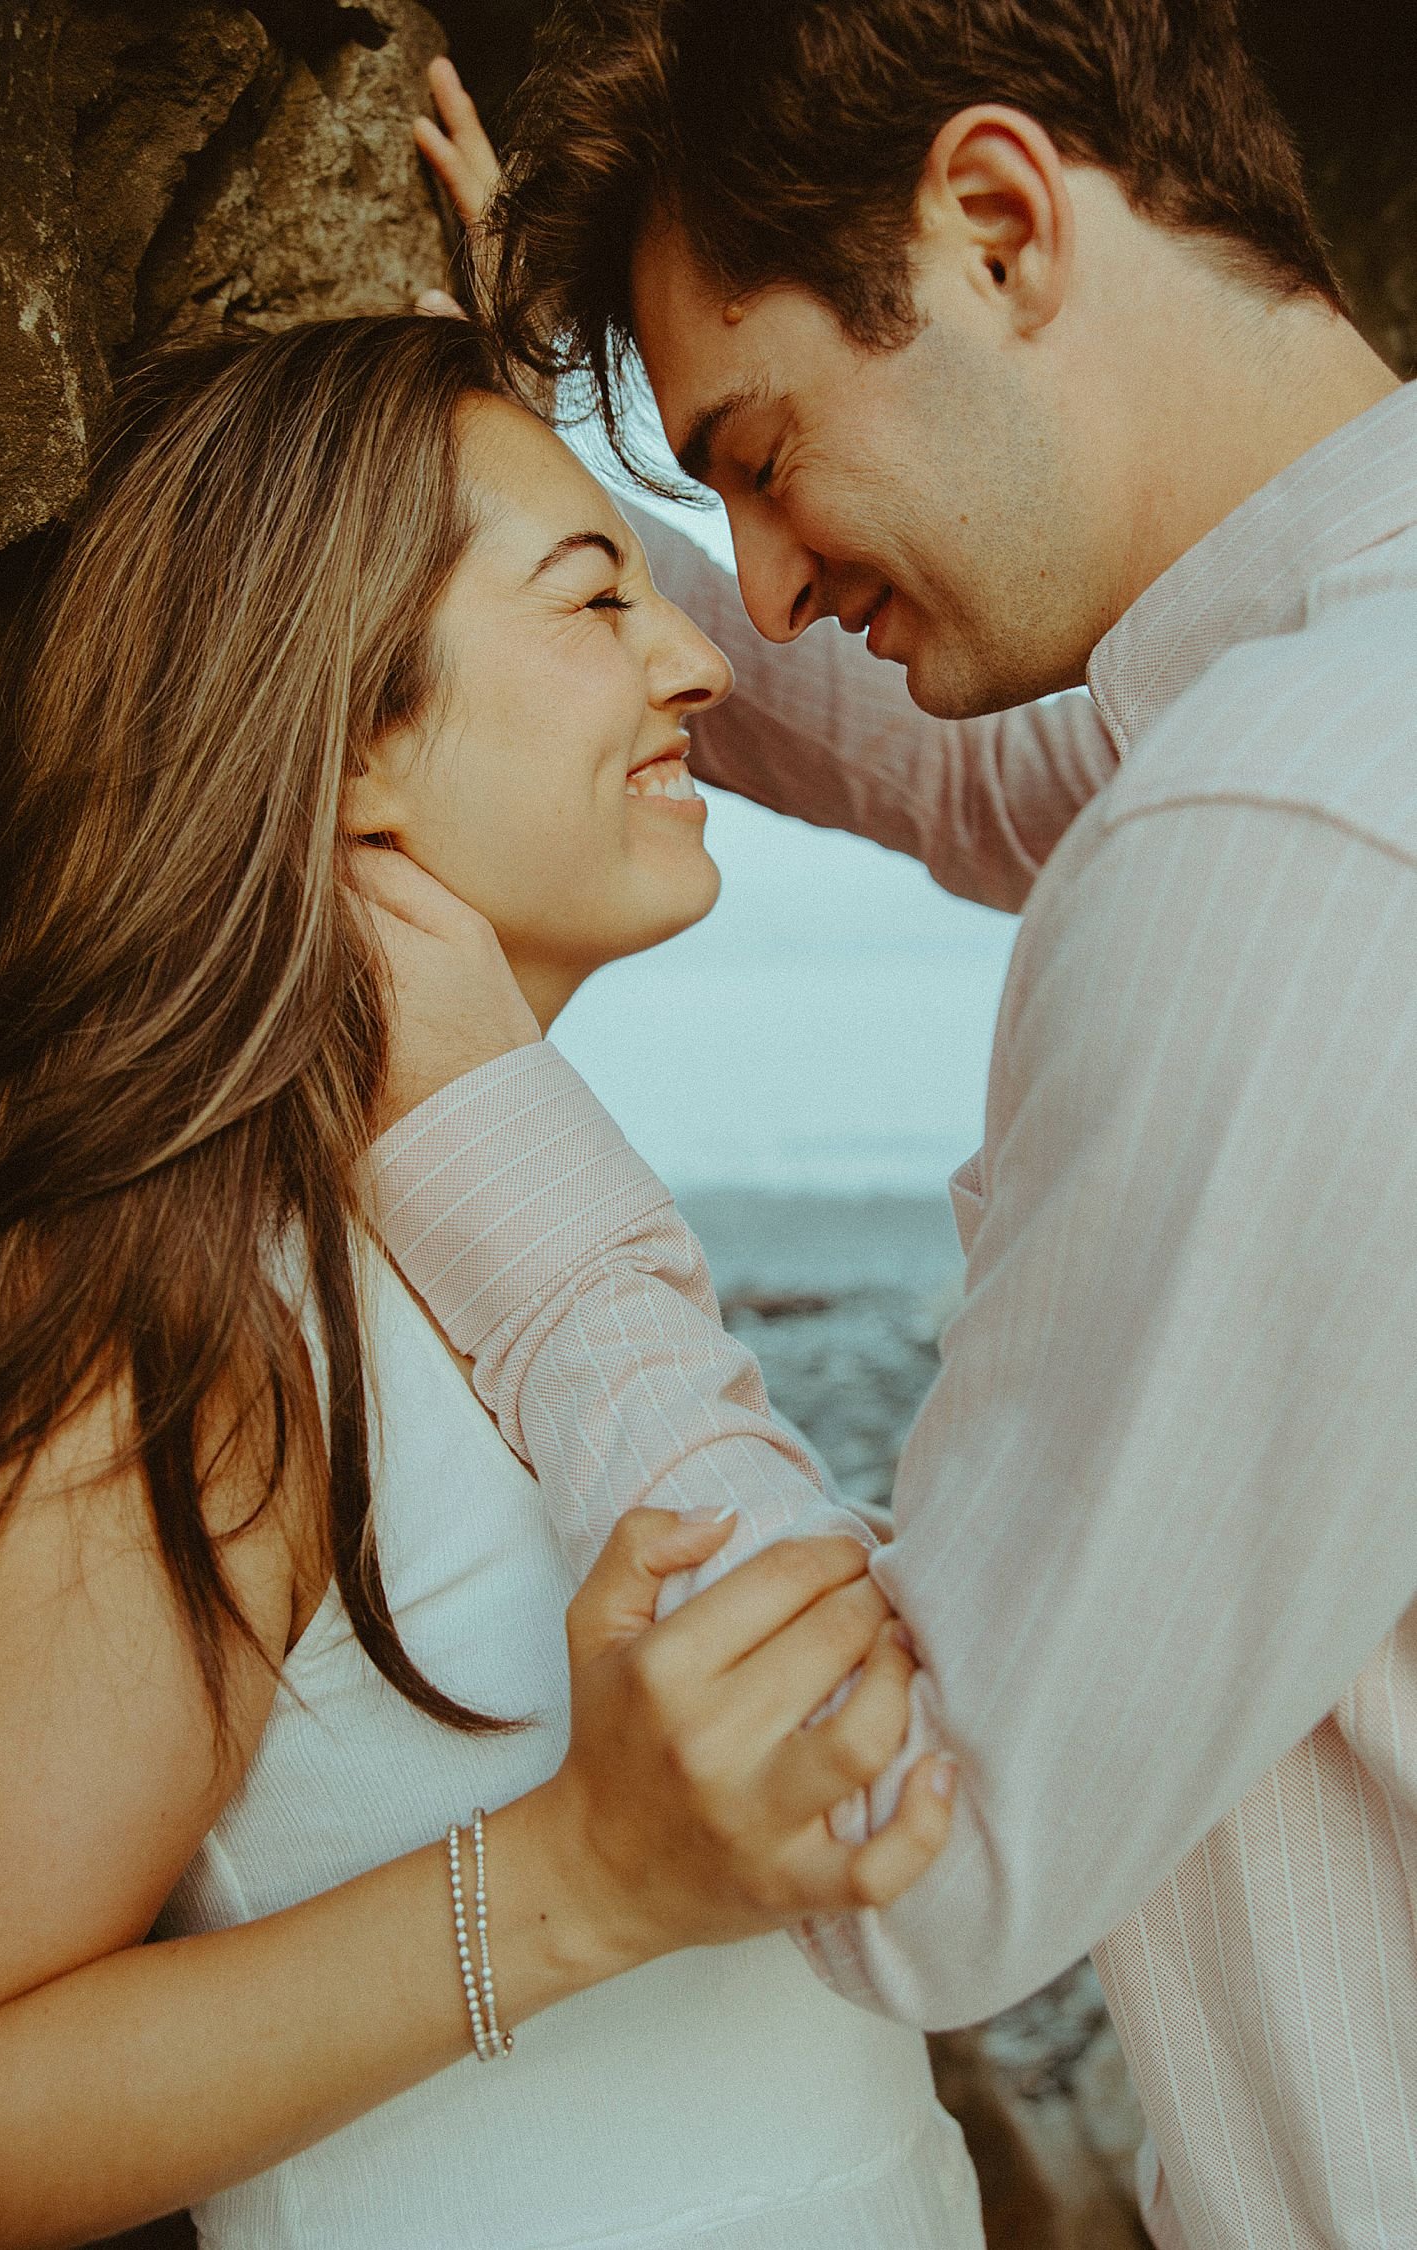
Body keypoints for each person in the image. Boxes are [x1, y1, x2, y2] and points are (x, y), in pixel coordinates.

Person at [398, 15, 1417, 2249]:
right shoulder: (1323, 693)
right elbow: (967, 766)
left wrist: (474, 1120)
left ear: (994, 220)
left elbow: (918, 1844)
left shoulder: (1296, 829)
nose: (751, 589)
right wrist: (519, 485)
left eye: (758, 455)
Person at [0, 315, 966, 2250]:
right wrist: (580, 1881)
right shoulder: (178, 1296)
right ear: (348, 730)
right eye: (594, 596)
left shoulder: (521, 1217)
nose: (702, 657)